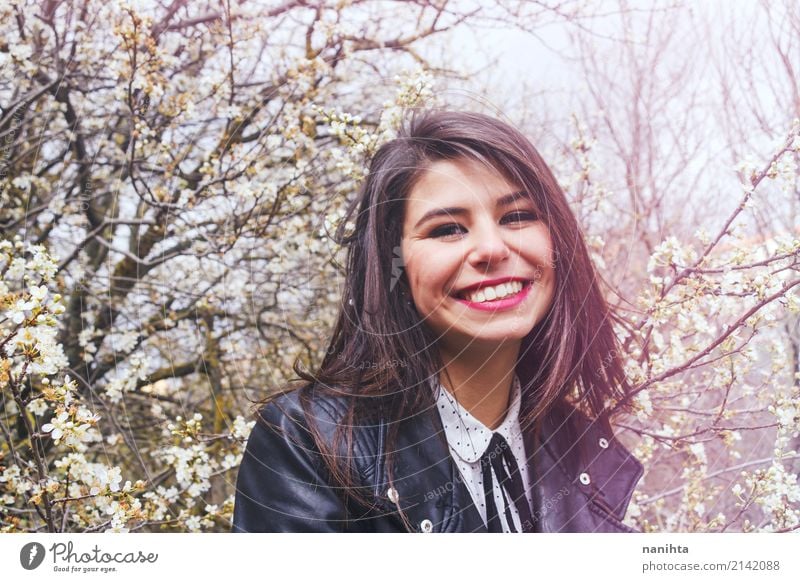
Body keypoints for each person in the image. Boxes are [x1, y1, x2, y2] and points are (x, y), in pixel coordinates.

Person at [232, 109, 643, 533]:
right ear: (395, 267)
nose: (491, 248)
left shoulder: (579, 445)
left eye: (517, 216)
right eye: (448, 228)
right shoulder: (311, 444)